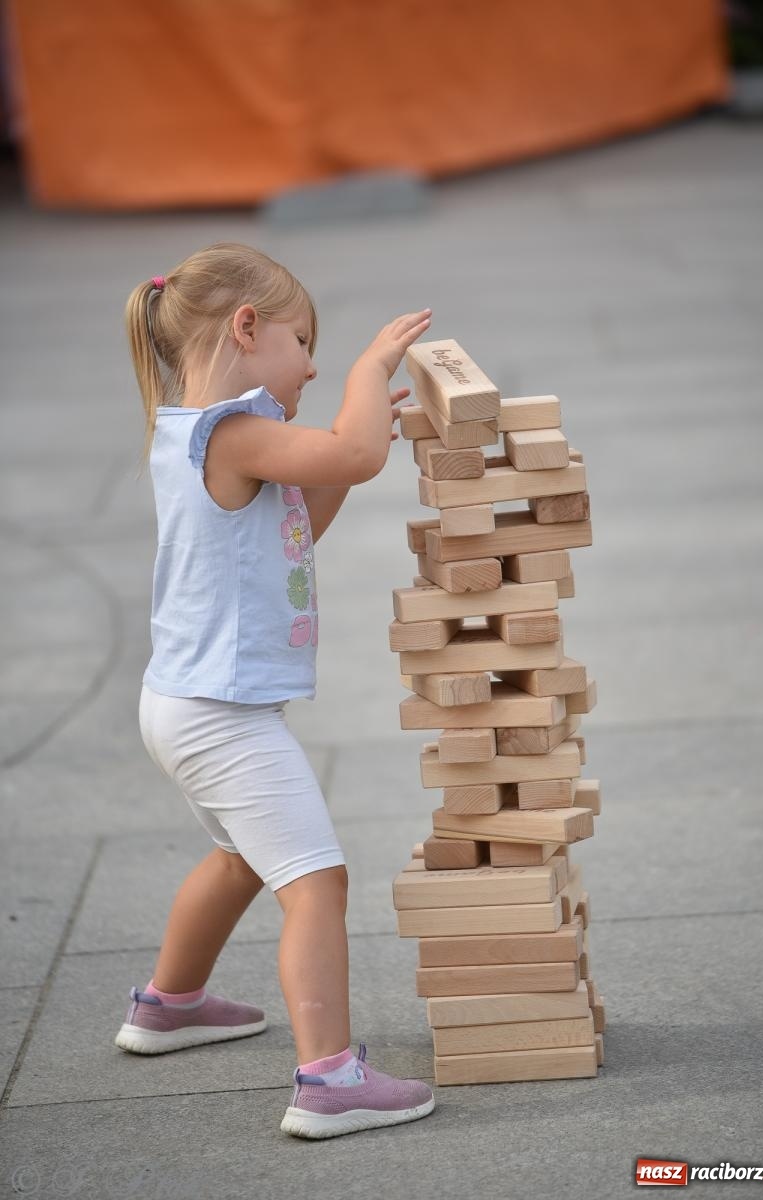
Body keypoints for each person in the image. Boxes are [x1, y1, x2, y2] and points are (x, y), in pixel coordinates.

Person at [115, 241, 435, 1140]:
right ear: (246, 329)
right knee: (315, 881)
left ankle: (168, 1005)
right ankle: (328, 1080)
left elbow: (309, 506)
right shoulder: (235, 427)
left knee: (241, 859)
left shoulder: (193, 431)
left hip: (180, 704)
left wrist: (347, 442)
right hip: (220, 717)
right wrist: (370, 375)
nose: (315, 362)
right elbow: (357, 453)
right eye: (304, 341)